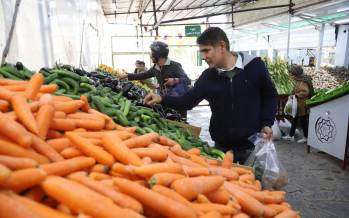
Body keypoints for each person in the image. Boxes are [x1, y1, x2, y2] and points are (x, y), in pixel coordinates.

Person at [144, 27, 278, 163]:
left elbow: (270, 96)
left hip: (253, 145)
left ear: (222, 46)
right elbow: (188, 101)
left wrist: (266, 122)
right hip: (222, 148)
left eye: (206, 50)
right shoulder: (208, 76)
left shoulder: (254, 67)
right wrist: (161, 98)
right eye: (201, 51)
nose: (203, 57)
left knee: (254, 183)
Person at [119, 41, 191, 97]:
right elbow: (142, 75)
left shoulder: (174, 65)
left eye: (152, 53)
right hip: (165, 98)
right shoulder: (155, 68)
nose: (150, 55)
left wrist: (175, 80)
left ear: (158, 54)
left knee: (178, 116)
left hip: (179, 99)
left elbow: (187, 80)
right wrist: (127, 75)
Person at [282, 65, 314, 143]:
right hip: (298, 104)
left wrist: (296, 95)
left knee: (303, 121)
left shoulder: (302, 81)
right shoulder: (300, 80)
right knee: (295, 120)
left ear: (296, 73)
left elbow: (306, 92)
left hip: (302, 105)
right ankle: (291, 135)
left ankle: (306, 137)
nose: (290, 76)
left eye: (292, 74)